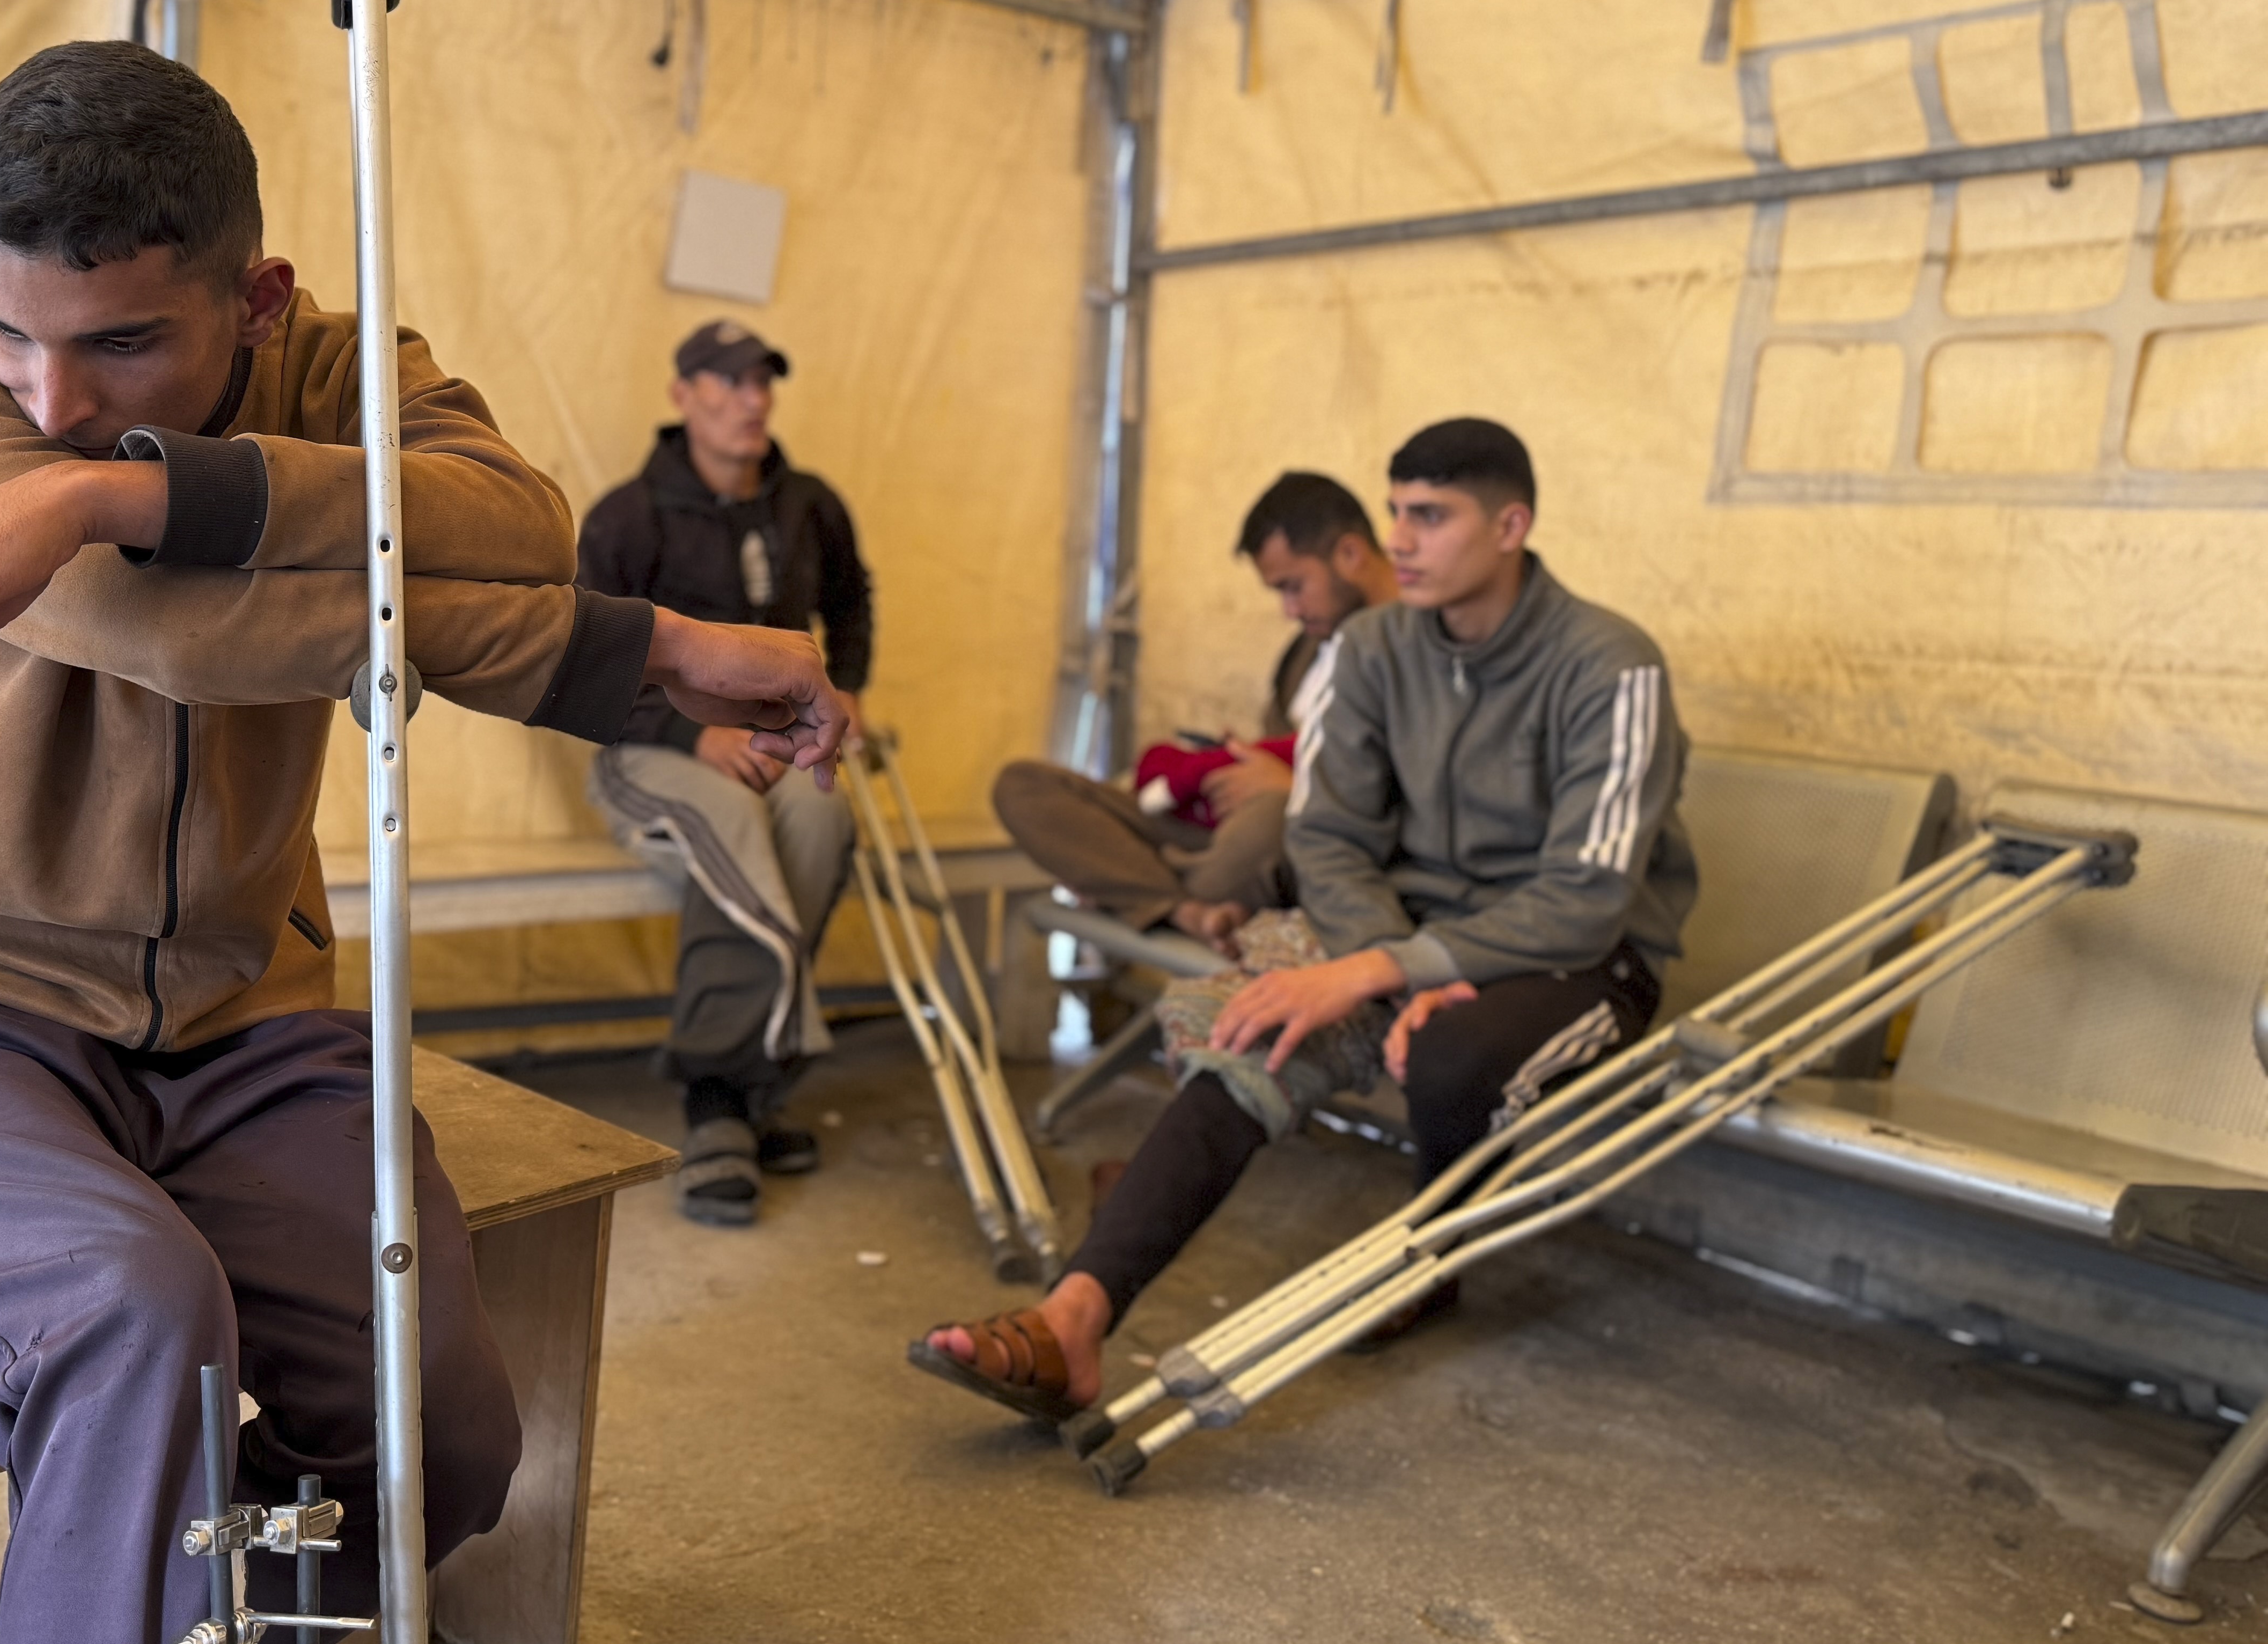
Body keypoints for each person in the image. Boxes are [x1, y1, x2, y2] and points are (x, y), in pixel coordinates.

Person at [0, 42, 849, 1644]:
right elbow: (163, 631)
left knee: (437, 1430)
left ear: (257, 299)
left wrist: (101, 498)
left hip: (242, 1019)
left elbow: (510, 526)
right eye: (12, 334)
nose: (46, 403)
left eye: (119, 344)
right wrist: (651, 643)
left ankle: (100, 1634)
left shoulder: (338, 368)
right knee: (136, 1315)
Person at [913, 417, 1693, 1423]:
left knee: (1456, 1052)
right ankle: (1075, 1315)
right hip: (1407, 929)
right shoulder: (1369, 648)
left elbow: (1587, 897)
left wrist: (1387, 968)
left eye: (1431, 514)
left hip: (1582, 958)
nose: (1400, 537)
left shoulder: (1609, 664)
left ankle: (1431, 1255)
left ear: (1510, 524)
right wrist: (1385, 960)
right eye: (1397, 509)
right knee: (1250, 1024)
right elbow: (1326, 837)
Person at [576, 318, 873, 1227]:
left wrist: (846, 689)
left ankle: (749, 1093)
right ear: (682, 394)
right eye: (728, 380)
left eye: (763, 381)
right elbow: (581, 657)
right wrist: (686, 731)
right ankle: (718, 1095)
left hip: (773, 748)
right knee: (732, 828)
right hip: (646, 751)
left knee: (824, 823)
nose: (752, 399)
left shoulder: (808, 501)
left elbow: (852, 598)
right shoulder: (627, 516)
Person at [991, 471, 1396, 945]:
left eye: (1293, 587)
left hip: (1293, 835)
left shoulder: (1414, 650)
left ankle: (1130, 885)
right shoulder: (1305, 651)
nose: (1289, 610)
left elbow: (1409, 793)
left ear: (1349, 555)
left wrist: (1296, 784)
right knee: (1024, 788)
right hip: (1217, 834)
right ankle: (1181, 906)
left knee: (1265, 824)